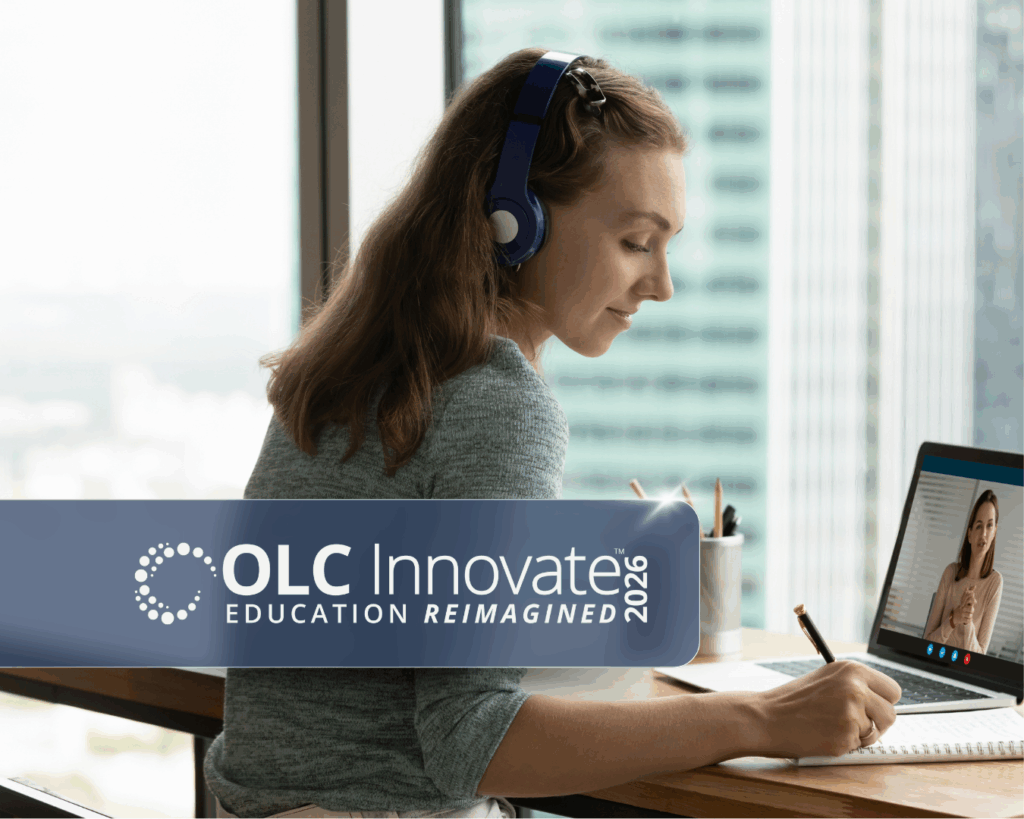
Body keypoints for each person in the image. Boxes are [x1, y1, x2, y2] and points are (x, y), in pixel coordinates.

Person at [203, 47, 902, 818]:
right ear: (517, 221)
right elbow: (472, 739)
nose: (662, 285)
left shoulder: (356, 368)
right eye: (636, 241)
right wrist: (762, 716)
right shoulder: (498, 402)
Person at [923, 490, 1003, 653]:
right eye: (979, 526)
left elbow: (979, 657)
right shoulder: (950, 572)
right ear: (970, 534)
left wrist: (967, 622)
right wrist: (953, 620)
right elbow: (927, 644)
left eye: (989, 526)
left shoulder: (995, 582)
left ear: (995, 531)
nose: (984, 533)